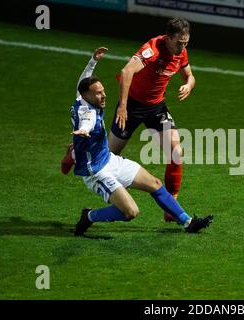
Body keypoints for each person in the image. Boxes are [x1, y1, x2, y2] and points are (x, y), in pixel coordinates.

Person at [61, 17, 195, 223]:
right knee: (107, 156)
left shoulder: (181, 52)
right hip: (131, 106)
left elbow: (189, 76)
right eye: (179, 42)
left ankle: (171, 208)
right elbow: (126, 73)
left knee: (176, 152)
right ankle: (74, 152)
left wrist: (189, 85)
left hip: (156, 108)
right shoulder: (152, 49)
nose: (183, 46)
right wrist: (122, 106)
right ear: (168, 38)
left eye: (186, 42)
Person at [69, 47, 212, 236]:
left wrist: (93, 61)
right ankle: (89, 216)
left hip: (109, 159)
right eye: (98, 93)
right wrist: (83, 130)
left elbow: (83, 79)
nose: (103, 95)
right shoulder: (86, 113)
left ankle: (188, 223)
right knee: (130, 212)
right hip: (96, 171)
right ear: (87, 96)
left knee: (154, 183)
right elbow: (87, 122)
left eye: (103, 91)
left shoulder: (82, 97)